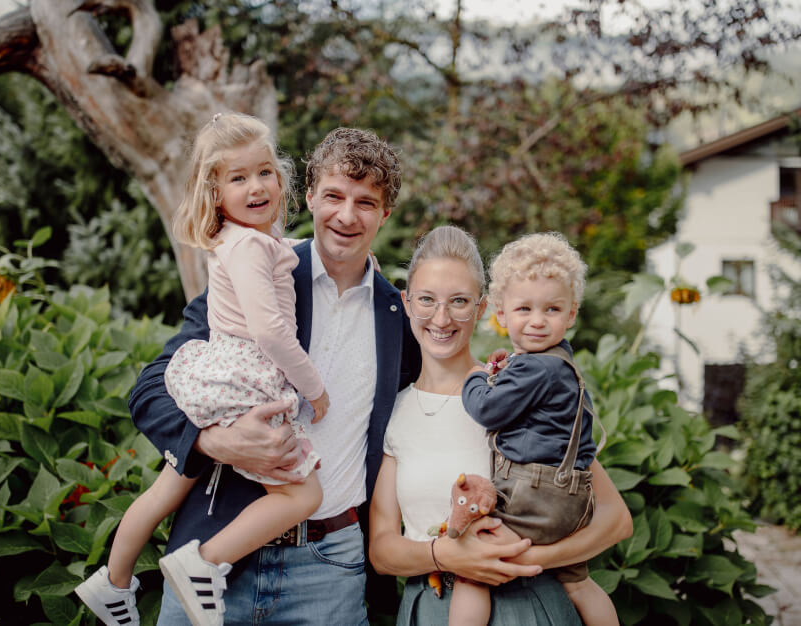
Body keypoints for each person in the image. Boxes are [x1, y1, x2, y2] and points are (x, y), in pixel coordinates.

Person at [127, 126, 424, 625]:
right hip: (217, 555)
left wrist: (497, 371)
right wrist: (211, 441)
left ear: (385, 213)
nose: (346, 216)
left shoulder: (399, 316)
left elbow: (436, 389)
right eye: (333, 196)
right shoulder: (261, 271)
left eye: (365, 203)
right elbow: (151, 388)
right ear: (307, 197)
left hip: (331, 569)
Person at [75, 113, 330, 626]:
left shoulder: (235, 241)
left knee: (167, 488)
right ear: (215, 192)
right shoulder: (253, 246)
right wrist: (315, 389)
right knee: (304, 493)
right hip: (246, 381)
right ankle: (204, 562)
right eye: (238, 178)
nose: (255, 186)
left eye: (264, 172)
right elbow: (271, 333)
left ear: (280, 178)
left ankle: (112, 580)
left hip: (215, 374)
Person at [369, 225, 633, 625]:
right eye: (426, 300)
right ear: (407, 304)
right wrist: (446, 556)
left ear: (482, 308)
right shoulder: (395, 410)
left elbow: (616, 519)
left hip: (526, 604)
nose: (441, 317)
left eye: (459, 301)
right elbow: (382, 550)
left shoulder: (517, 393)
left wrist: (524, 558)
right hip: (429, 609)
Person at [456, 231, 618, 625]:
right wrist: (504, 366)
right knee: (578, 582)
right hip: (572, 499)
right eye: (524, 309)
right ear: (502, 314)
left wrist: (475, 376)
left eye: (551, 310)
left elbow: (488, 410)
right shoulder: (560, 361)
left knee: (472, 570)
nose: (537, 322)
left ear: (571, 314)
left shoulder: (534, 366)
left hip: (533, 496)